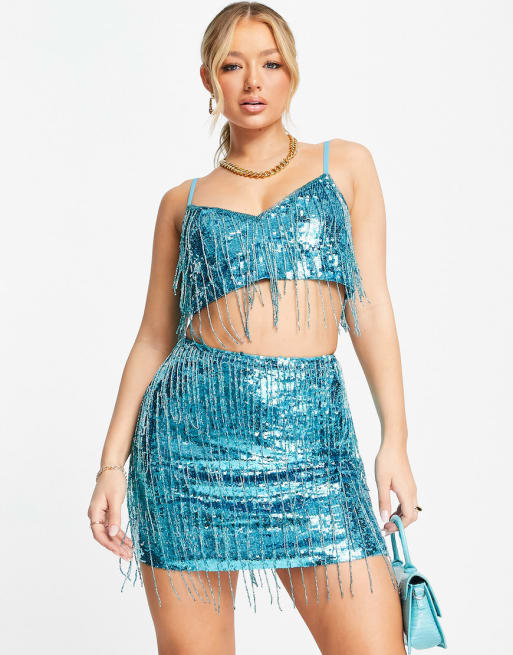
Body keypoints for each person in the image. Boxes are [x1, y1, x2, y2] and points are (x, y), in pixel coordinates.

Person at [88, 3, 419, 653]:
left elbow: (371, 305)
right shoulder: (181, 202)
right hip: (186, 452)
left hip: (313, 444)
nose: (252, 82)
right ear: (208, 79)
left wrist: (395, 439)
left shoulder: (345, 165)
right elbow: (153, 337)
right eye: (232, 66)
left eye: (269, 64)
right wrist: (110, 464)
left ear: (292, 71)